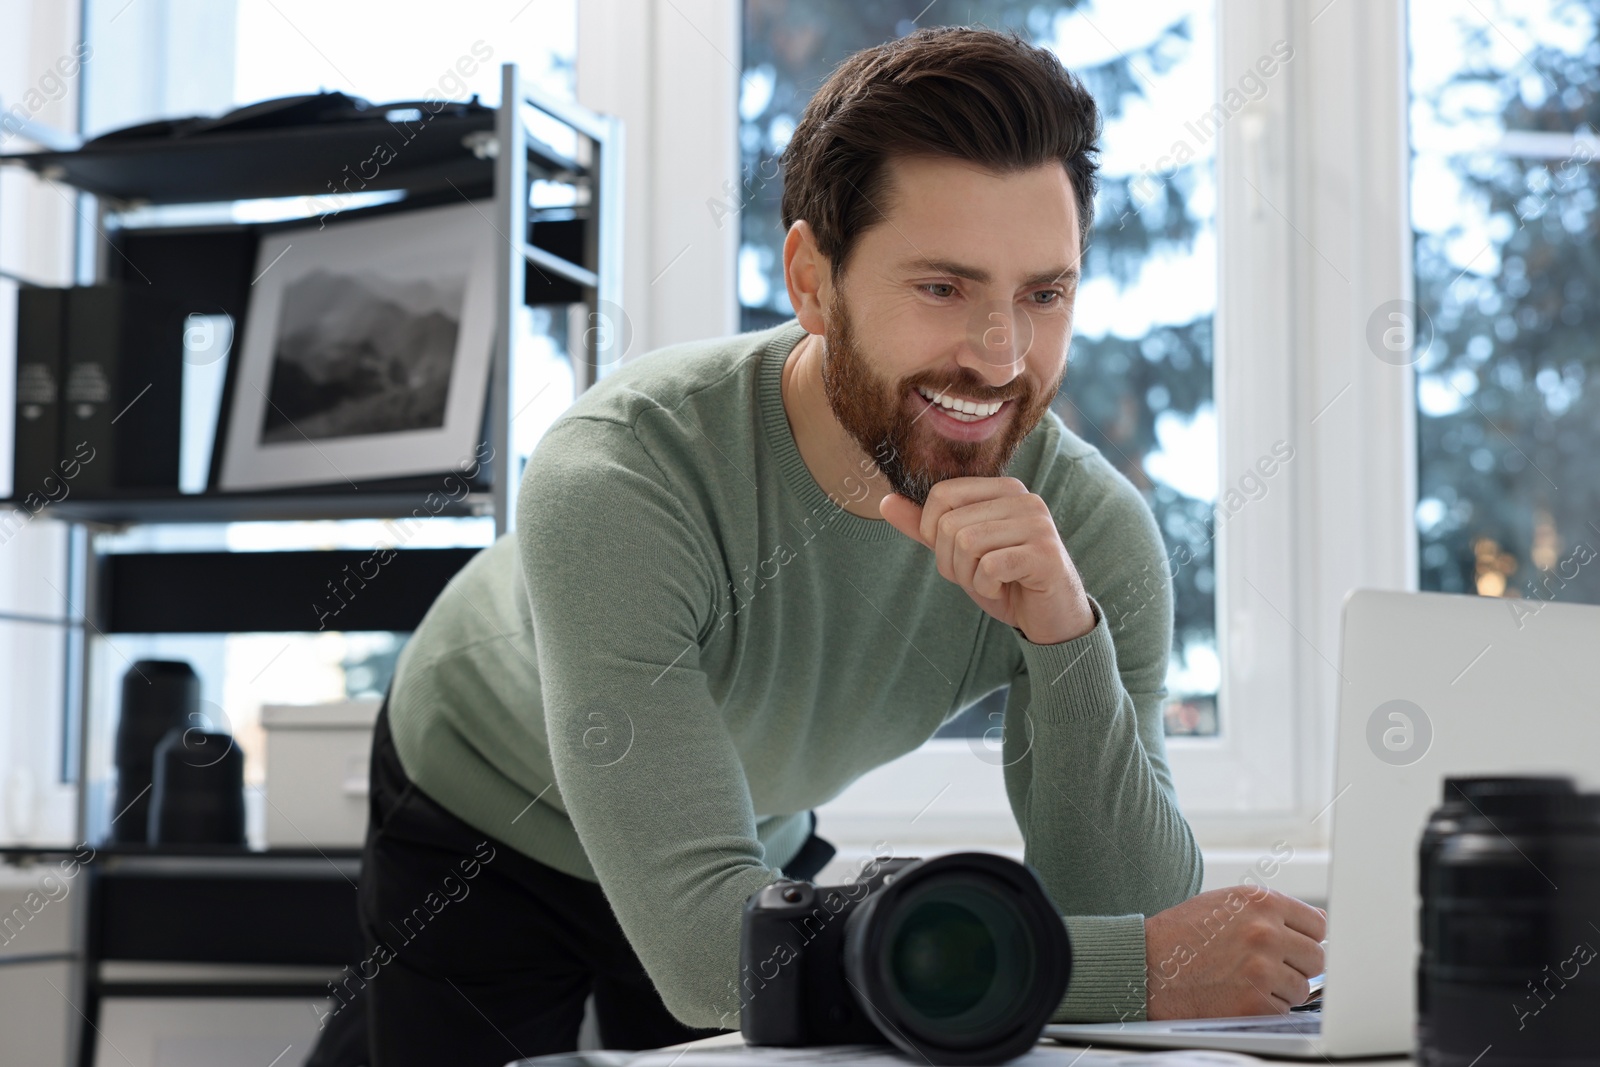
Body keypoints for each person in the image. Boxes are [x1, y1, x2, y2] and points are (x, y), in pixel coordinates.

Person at [309, 24, 1326, 1067]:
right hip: (486, 802)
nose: (1000, 355)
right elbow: (717, 962)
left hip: (736, 832)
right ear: (810, 279)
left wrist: (1066, 641)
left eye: (1042, 293)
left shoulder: (1088, 534)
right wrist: (1136, 966)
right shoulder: (619, 475)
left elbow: (1143, 918)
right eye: (942, 287)